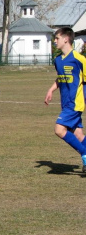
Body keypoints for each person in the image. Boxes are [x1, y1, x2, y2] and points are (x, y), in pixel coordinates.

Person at [44, 28, 86, 173]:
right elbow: (61, 79)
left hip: (76, 103)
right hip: (66, 103)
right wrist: (51, 89)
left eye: (57, 38)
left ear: (66, 39)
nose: (55, 41)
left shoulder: (80, 59)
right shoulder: (58, 60)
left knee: (59, 129)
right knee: (78, 135)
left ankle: (85, 154)